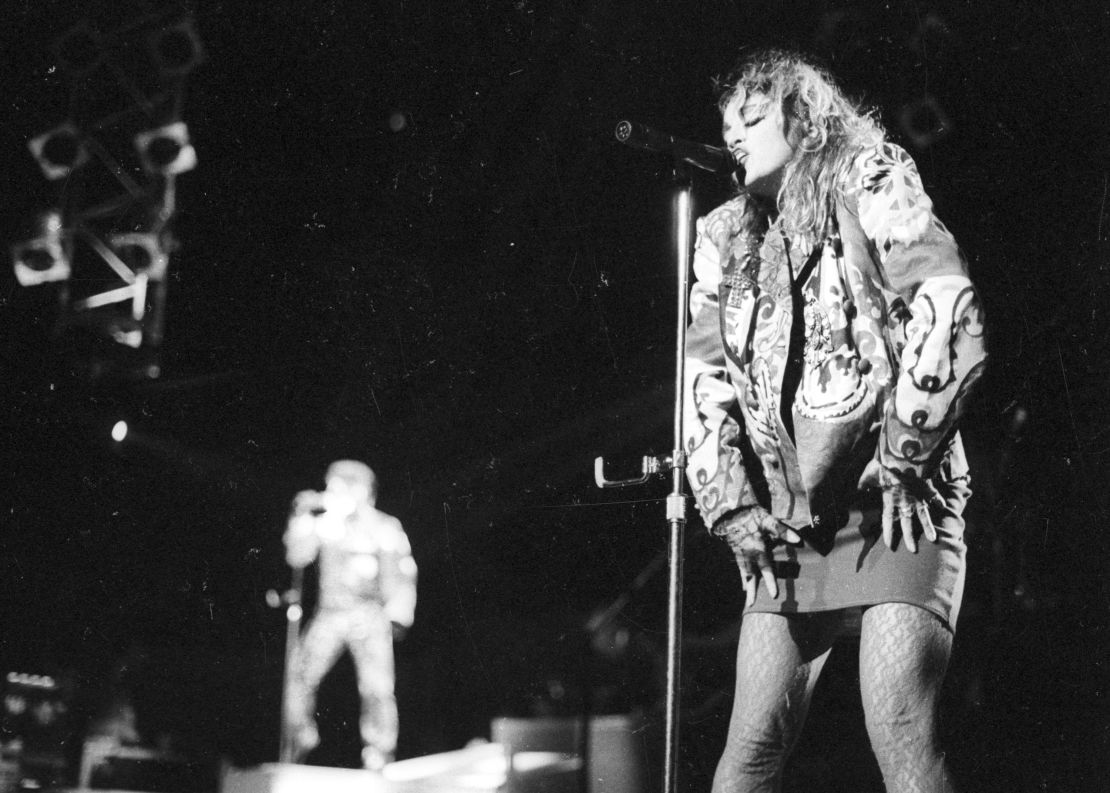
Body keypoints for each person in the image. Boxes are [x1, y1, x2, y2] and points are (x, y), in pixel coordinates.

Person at [683, 49, 986, 792]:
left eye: (753, 118)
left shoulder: (870, 175)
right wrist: (729, 503)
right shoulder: (724, 234)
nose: (735, 135)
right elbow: (701, 373)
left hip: (895, 501)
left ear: (804, 116)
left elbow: (949, 303)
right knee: (749, 746)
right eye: (728, 128)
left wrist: (907, 453)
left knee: (899, 727)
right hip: (794, 518)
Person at [282, 460, 417, 771]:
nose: (332, 492)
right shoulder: (330, 524)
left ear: (361, 489)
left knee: (377, 687)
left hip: (369, 614)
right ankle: (300, 736)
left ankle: (379, 752)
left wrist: (399, 613)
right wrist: (302, 518)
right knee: (300, 674)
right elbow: (297, 556)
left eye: (338, 486)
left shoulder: (385, 525)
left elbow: (404, 571)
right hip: (330, 613)